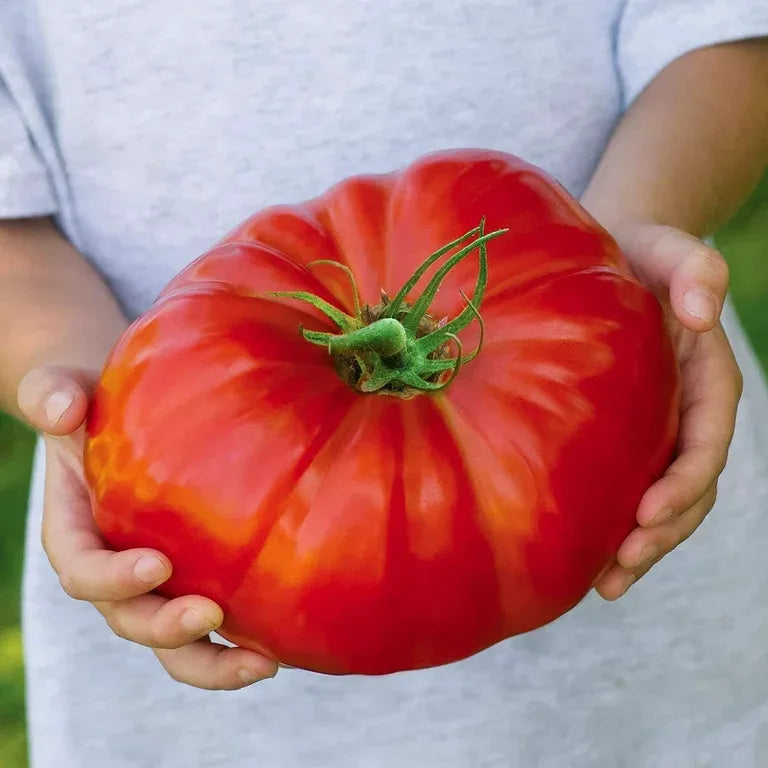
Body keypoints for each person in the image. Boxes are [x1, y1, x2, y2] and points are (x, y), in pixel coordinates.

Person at [2, 2, 767, 766]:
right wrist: (96, 408)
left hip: (657, 583)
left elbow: (731, 31)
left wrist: (623, 244)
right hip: (187, 644)